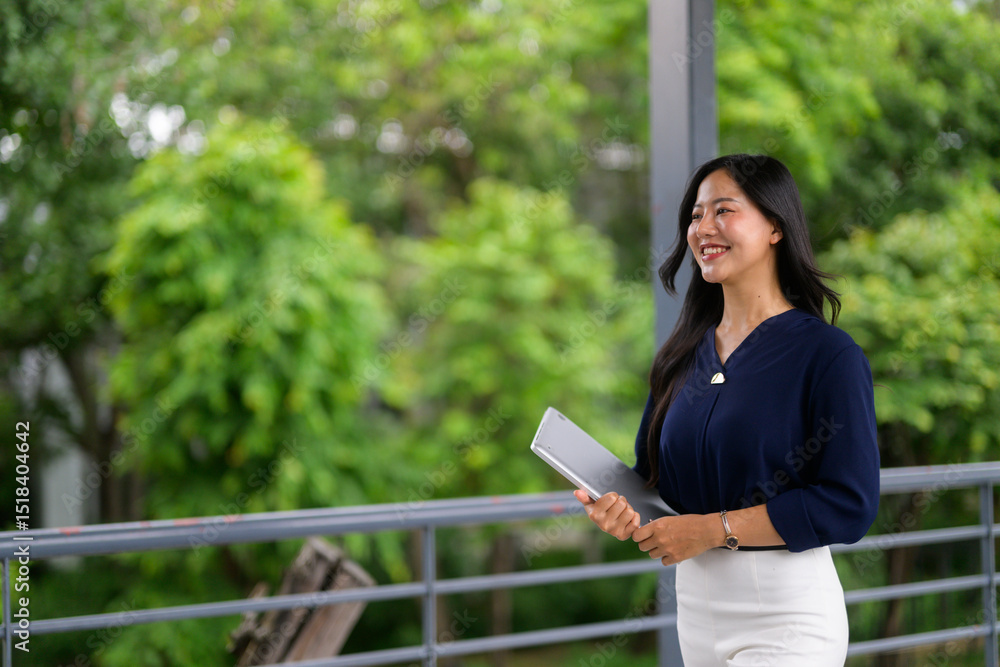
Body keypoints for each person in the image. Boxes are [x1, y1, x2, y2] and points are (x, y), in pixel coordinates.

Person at [574, 153, 880, 666]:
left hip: (789, 617)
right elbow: (654, 482)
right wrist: (621, 511)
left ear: (775, 227)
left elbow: (850, 504)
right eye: (695, 215)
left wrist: (712, 529)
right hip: (697, 613)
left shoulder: (827, 355)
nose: (702, 228)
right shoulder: (680, 356)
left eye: (723, 210)